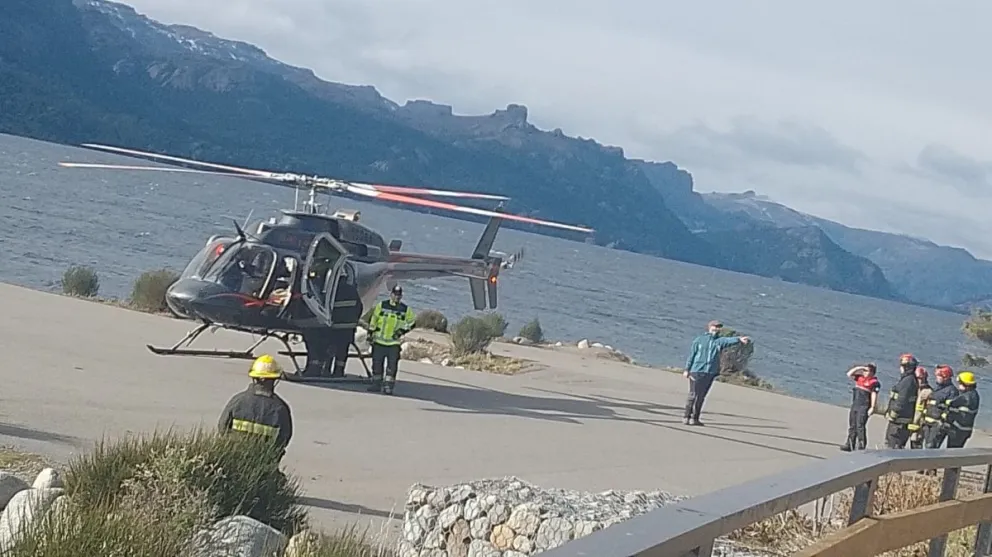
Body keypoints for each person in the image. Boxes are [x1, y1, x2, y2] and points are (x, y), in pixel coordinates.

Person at [217, 354, 294, 459]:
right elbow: (283, 440)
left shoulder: (237, 401)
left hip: (233, 460)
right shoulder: (280, 409)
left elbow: (222, 427)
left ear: (254, 378)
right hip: (263, 464)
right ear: (274, 380)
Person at [682, 320, 751, 426]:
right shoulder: (699, 340)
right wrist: (687, 369)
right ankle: (686, 416)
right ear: (710, 327)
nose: (717, 329)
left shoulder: (719, 341)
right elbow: (692, 355)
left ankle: (695, 418)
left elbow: (728, 340)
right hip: (697, 370)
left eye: (719, 327)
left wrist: (739, 339)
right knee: (693, 394)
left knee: (701, 396)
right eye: (716, 326)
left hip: (710, 372)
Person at [366, 285, 416, 395]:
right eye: (395, 295)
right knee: (377, 364)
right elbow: (374, 319)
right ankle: (376, 384)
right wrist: (370, 333)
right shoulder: (382, 305)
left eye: (399, 295)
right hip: (379, 341)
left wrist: (401, 331)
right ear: (391, 294)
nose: (397, 297)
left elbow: (412, 322)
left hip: (393, 343)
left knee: (392, 366)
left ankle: (388, 386)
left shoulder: (405, 309)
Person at [926, 371, 980, 449]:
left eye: (960, 383)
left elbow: (952, 404)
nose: (958, 386)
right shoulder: (974, 395)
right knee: (955, 450)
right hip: (965, 430)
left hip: (957, 430)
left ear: (966, 384)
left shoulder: (966, 397)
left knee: (952, 451)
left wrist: (941, 404)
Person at [326, 264, 364, 378]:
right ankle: (339, 372)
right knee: (342, 351)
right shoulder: (352, 290)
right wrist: (354, 321)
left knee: (330, 349)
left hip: (335, 327)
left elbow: (328, 306)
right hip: (348, 328)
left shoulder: (333, 290)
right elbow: (359, 307)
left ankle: (326, 369)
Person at [839, 363, 880, 452]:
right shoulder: (859, 378)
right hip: (855, 404)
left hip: (864, 406)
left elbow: (874, 394)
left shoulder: (874, 382)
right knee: (852, 425)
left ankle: (861, 445)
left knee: (860, 426)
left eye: (867, 371)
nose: (864, 372)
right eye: (864, 371)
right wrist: (859, 367)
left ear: (872, 373)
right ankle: (850, 444)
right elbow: (849, 374)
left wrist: (873, 407)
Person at [883, 353, 920, 449]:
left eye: (902, 366)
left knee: (893, 444)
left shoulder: (908, 381)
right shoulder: (908, 380)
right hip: (900, 419)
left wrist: (893, 413)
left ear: (906, 367)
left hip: (900, 420)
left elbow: (902, 400)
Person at [921, 365, 957, 448]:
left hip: (937, 425)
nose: (936, 378)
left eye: (938, 376)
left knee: (932, 447)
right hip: (928, 423)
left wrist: (942, 422)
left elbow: (950, 409)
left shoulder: (951, 391)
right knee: (927, 446)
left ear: (945, 377)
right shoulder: (937, 389)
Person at [908, 366, 933, 449]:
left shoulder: (927, 391)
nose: (920, 380)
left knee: (916, 442)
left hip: (920, 423)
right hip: (909, 420)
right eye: (918, 378)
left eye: (921, 378)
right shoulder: (912, 388)